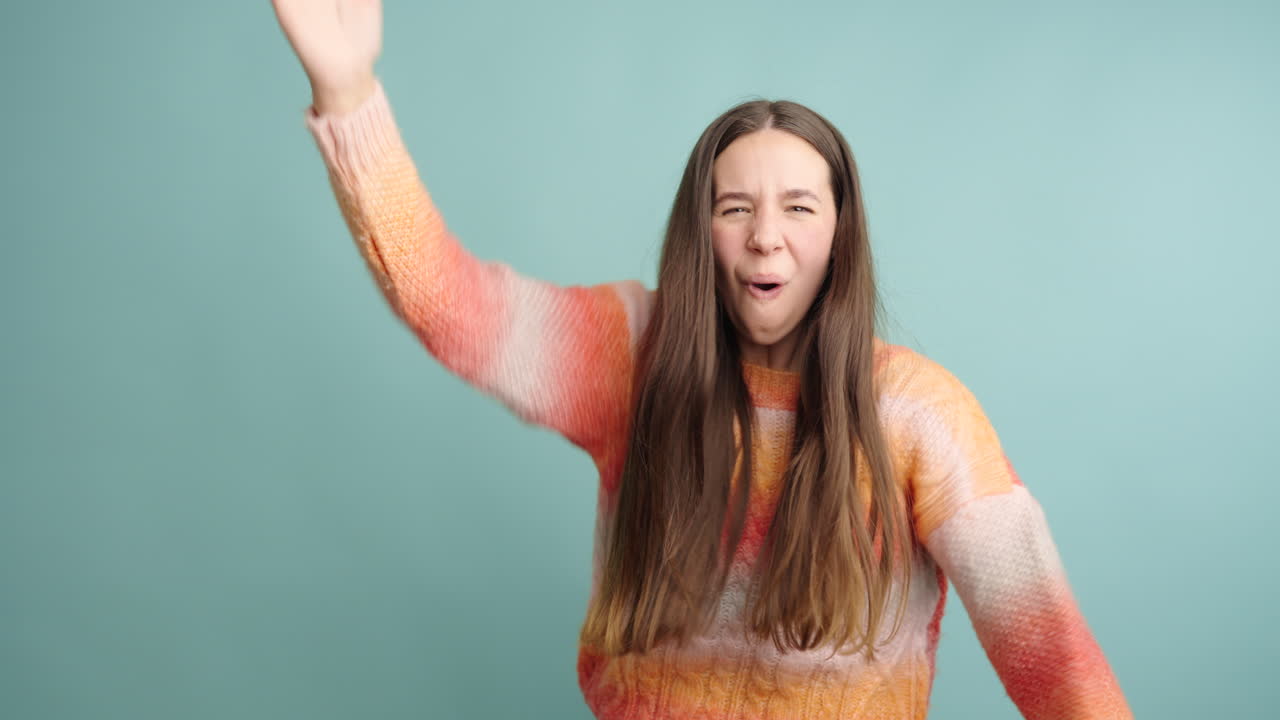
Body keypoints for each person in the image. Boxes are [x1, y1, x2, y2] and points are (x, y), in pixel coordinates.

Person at [271, 2, 1134, 718]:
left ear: (840, 236)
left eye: (799, 207)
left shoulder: (917, 412)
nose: (766, 236)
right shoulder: (630, 359)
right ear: (701, 230)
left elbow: (1054, 659)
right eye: (735, 208)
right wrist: (348, 95)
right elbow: (450, 304)